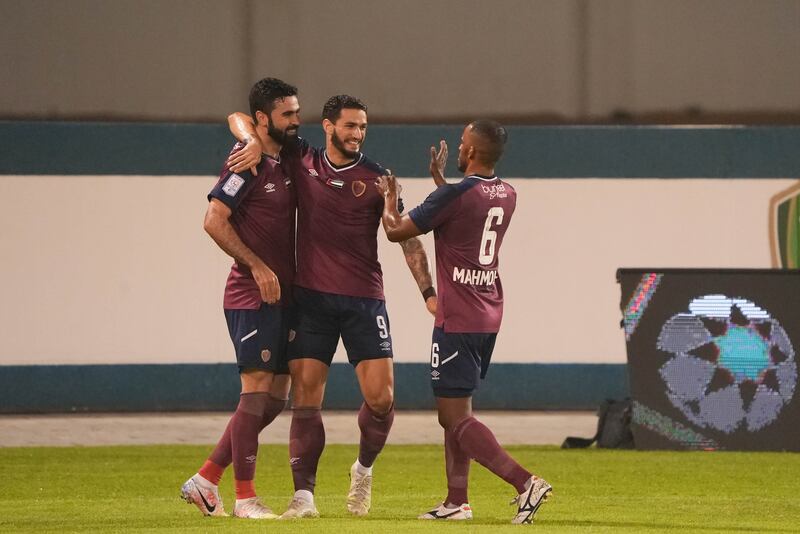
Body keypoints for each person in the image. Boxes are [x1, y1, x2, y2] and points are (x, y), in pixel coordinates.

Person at [226, 95, 436, 518]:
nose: (357, 134)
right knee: (306, 400)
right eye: (350, 126)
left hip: (364, 300)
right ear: (327, 126)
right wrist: (249, 137)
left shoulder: (379, 177)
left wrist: (429, 293)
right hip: (311, 301)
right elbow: (239, 116)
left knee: (381, 400)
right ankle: (303, 497)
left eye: (363, 128)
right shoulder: (301, 158)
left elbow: (407, 239)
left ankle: (363, 469)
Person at [375, 120, 553, 524]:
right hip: (487, 311)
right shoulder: (507, 193)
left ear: (471, 152)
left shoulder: (455, 196)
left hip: (456, 316)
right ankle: (457, 501)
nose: (455, 148)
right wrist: (441, 182)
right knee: (458, 412)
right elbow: (465, 210)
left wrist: (390, 200)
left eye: (460, 143)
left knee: (452, 417)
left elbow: (395, 231)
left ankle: (525, 483)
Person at [180, 77, 300, 520]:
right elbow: (213, 221)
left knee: (273, 399)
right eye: (287, 113)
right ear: (266, 118)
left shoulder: (287, 154)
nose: (296, 120)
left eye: (296, 111)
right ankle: (245, 498)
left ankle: (206, 478)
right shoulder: (244, 163)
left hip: (285, 300)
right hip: (252, 295)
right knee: (255, 394)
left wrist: (248, 130)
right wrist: (257, 265)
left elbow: (239, 118)